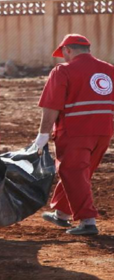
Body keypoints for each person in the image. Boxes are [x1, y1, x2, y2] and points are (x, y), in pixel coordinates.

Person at [32, 34, 114, 235]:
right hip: (103, 131)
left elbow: (51, 107)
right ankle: (62, 213)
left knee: (73, 172)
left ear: (67, 50)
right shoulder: (109, 70)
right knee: (78, 172)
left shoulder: (63, 71)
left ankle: (87, 221)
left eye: (64, 54)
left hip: (75, 131)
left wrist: (42, 135)